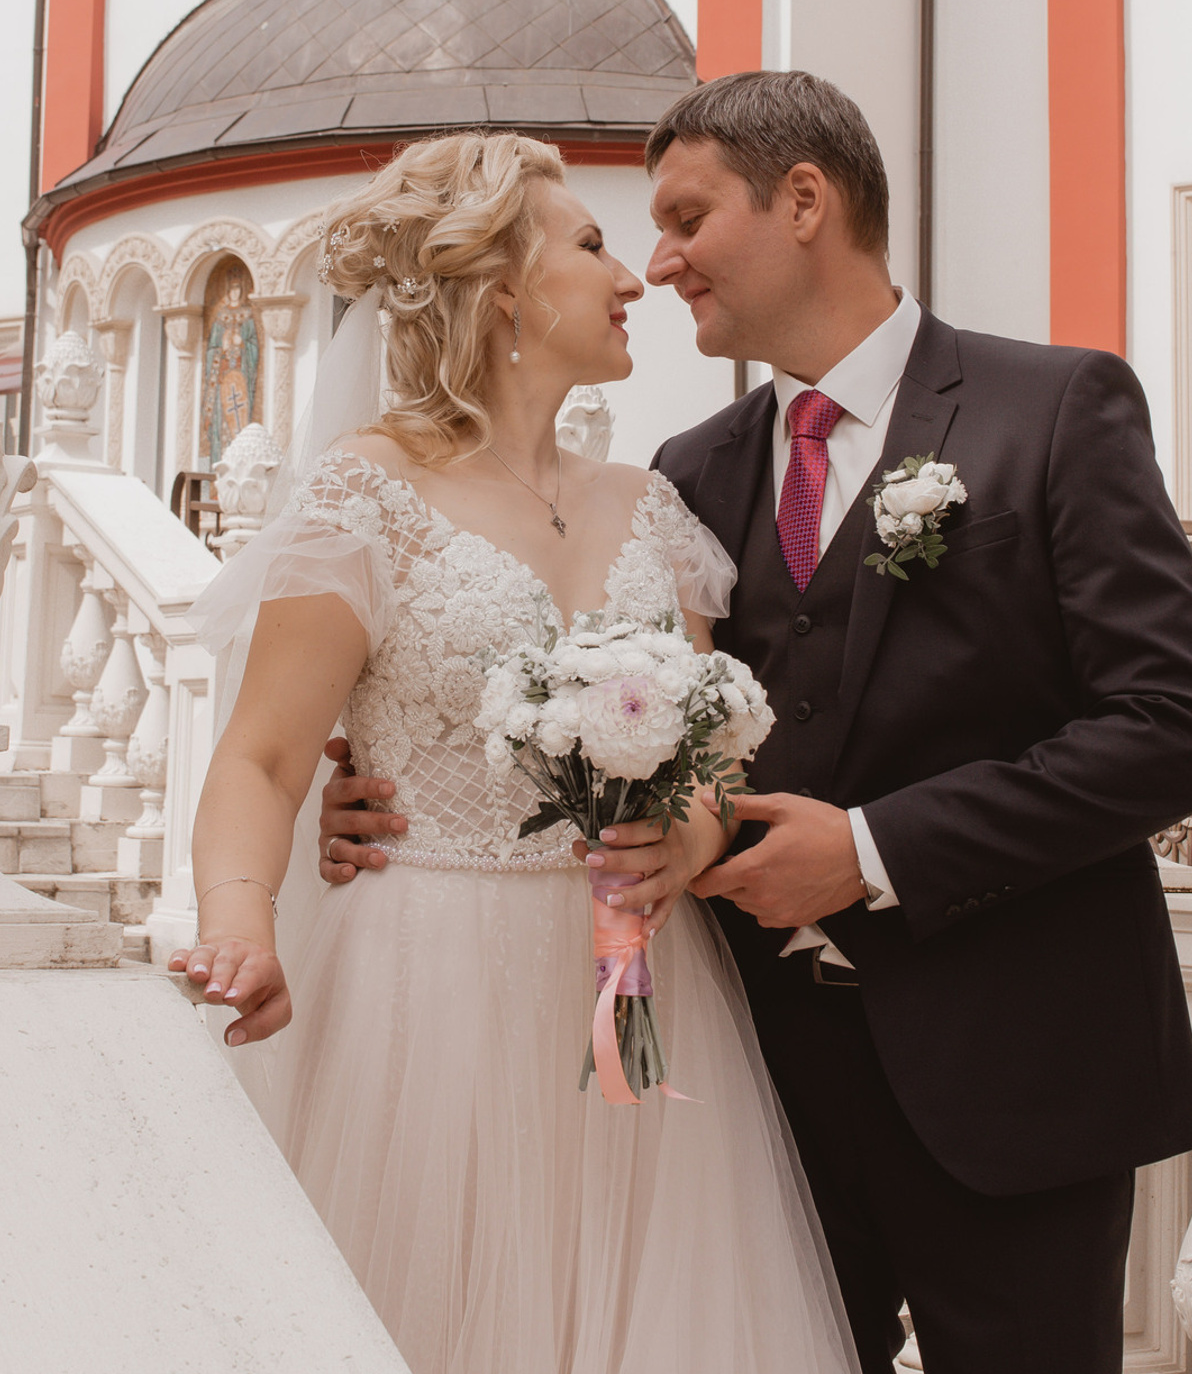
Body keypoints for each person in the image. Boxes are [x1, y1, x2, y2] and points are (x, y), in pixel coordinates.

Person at [321, 75, 1192, 1374]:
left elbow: (1179, 725)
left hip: (1013, 1075)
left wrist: (873, 851)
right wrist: (365, 779)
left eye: (689, 217)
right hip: (754, 1090)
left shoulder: (1055, 412)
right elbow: (597, 711)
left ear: (803, 199)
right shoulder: (683, 477)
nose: (660, 260)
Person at [171, 132, 858, 1374]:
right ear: (500, 291)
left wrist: (690, 833)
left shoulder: (653, 505)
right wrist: (241, 923)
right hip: (428, 988)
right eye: (593, 246)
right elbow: (266, 758)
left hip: (645, 988)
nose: (634, 277)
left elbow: (713, 748)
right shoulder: (366, 497)